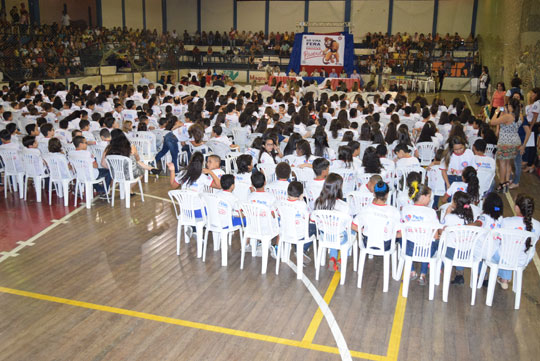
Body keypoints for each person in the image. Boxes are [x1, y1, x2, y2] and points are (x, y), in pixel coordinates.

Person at [495, 194, 540, 289]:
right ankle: (505, 277)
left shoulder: (507, 222)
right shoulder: (537, 225)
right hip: (523, 260)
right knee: (513, 252)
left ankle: (504, 277)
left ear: (516, 208)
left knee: (497, 249)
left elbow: (497, 238)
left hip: (506, 258)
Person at [400, 182, 440, 285]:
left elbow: (401, 228)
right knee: (433, 242)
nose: (430, 199)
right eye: (429, 196)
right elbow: (435, 235)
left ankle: (412, 270)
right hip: (426, 249)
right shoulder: (431, 212)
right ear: (422, 197)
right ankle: (423, 275)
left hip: (409, 248)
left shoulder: (405, 209)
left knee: (402, 239)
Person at [313, 173, 350, 271]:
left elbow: (313, 219)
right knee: (350, 233)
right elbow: (347, 225)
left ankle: (332, 258)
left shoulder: (318, 202)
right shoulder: (343, 205)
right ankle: (342, 259)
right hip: (339, 237)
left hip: (324, 235)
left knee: (332, 232)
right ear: (339, 188)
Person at [440, 191, 476, 285]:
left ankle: (440, 267)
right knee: (461, 245)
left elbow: (441, 231)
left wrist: (446, 214)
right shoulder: (470, 218)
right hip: (467, 253)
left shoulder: (451, 217)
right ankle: (460, 274)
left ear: (455, 203)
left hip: (452, 253)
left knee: (442, 243)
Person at [490, 98, 524, 192]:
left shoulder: (508, 116)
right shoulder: (520, 115)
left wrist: (497, 112)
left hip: (505, 142)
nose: (506, 106)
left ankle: (502, 184)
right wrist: (503, 113)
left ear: (511, 106)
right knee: (508, 163)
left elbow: (492, 122)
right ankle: (506, 183)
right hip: (515, 142)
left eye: (508, 105)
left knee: (502, 164)